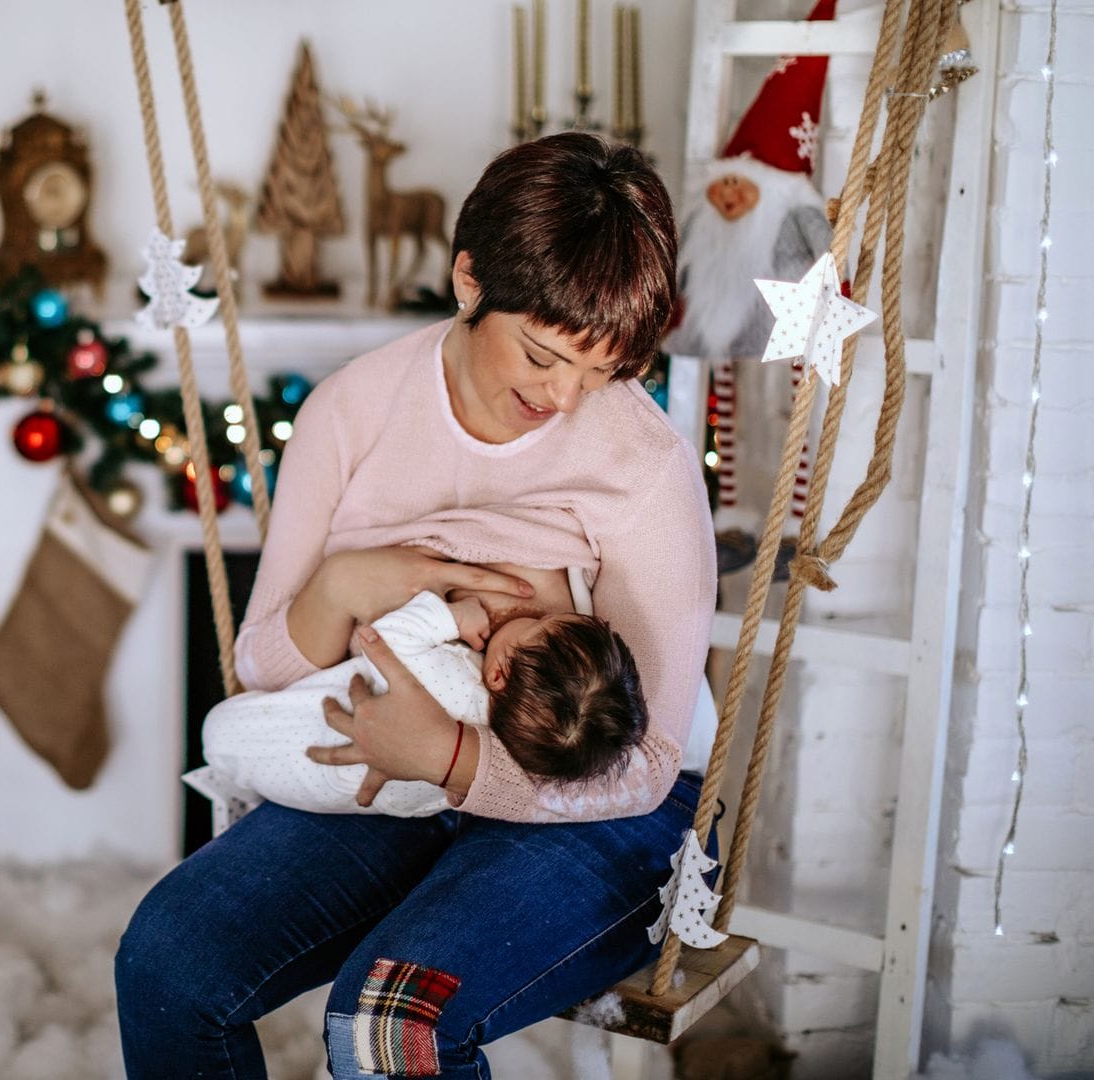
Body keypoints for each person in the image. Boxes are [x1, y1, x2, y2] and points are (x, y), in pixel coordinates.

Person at [115, 132, 717, 1079]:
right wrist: (360, 580)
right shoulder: (353, 414)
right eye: (544, 354)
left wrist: (448, 755)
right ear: (470, 278)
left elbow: (646, 763)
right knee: (169, 961)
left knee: (392, 1021)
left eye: (600, 372)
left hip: (599, 792)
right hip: (394, 774)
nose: (565, 398)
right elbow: (266, 662)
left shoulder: (642, 466)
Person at [182, 561, 647, 830]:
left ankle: (229, 763)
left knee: (232, 729)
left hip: (274, 722)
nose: (541, 615)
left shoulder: (450, 675)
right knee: (310, 769)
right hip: (320, 790)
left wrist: (451, 616)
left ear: (500, 672)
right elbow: (404, 802)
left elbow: (385, 638)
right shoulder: (490, 751)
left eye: (542, 624)